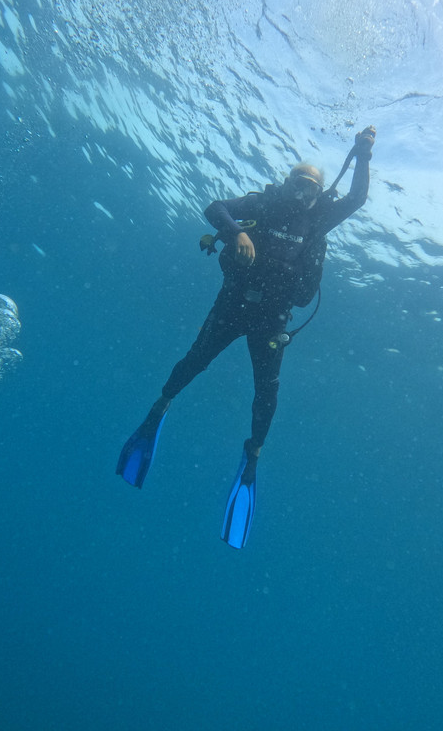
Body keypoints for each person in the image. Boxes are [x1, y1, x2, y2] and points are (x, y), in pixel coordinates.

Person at [117, 126, 377, 548]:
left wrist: (363, 155)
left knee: (267, 393)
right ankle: (159, 407)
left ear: (317, 191)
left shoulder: (320, 218)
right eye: (298, 183)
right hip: (234, 305)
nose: (303, 193)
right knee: (193, 361)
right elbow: (214, 207)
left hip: (273, 320)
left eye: (312, 186)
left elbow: (357, 199)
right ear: (287, 182)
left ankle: (252, 456)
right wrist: (237, 231)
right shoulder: (264, 204)